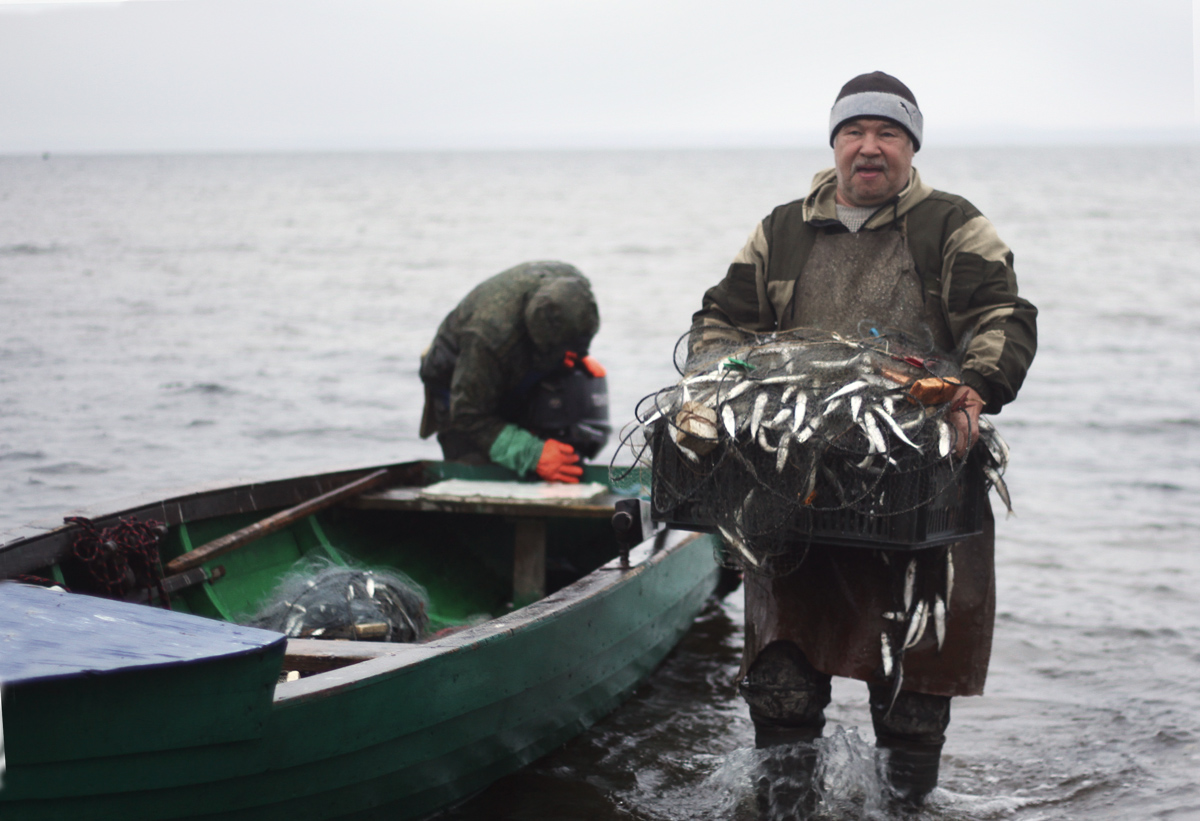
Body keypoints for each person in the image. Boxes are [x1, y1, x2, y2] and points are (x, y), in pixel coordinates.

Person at [688, 72, 1037, 804]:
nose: (870, 149)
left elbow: (1002, 313)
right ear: (835, 143)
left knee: (913, 696)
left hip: (922, 487)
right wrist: (715, 387)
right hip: (801, 491)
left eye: (889, 134)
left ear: (910, 147)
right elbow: (721, 317)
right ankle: (786, 802)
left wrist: (976, 385)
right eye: (855, 132)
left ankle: (905, 802)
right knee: (782, 683)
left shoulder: (952, 225)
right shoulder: (782, 230)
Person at [419, 260, 608, 484]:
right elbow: (468, 415)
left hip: (516, 365)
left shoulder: (574, 284)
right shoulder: (487, 336)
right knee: (482, 474)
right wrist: (533, 454)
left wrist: (577, 353)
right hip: (461, 392)